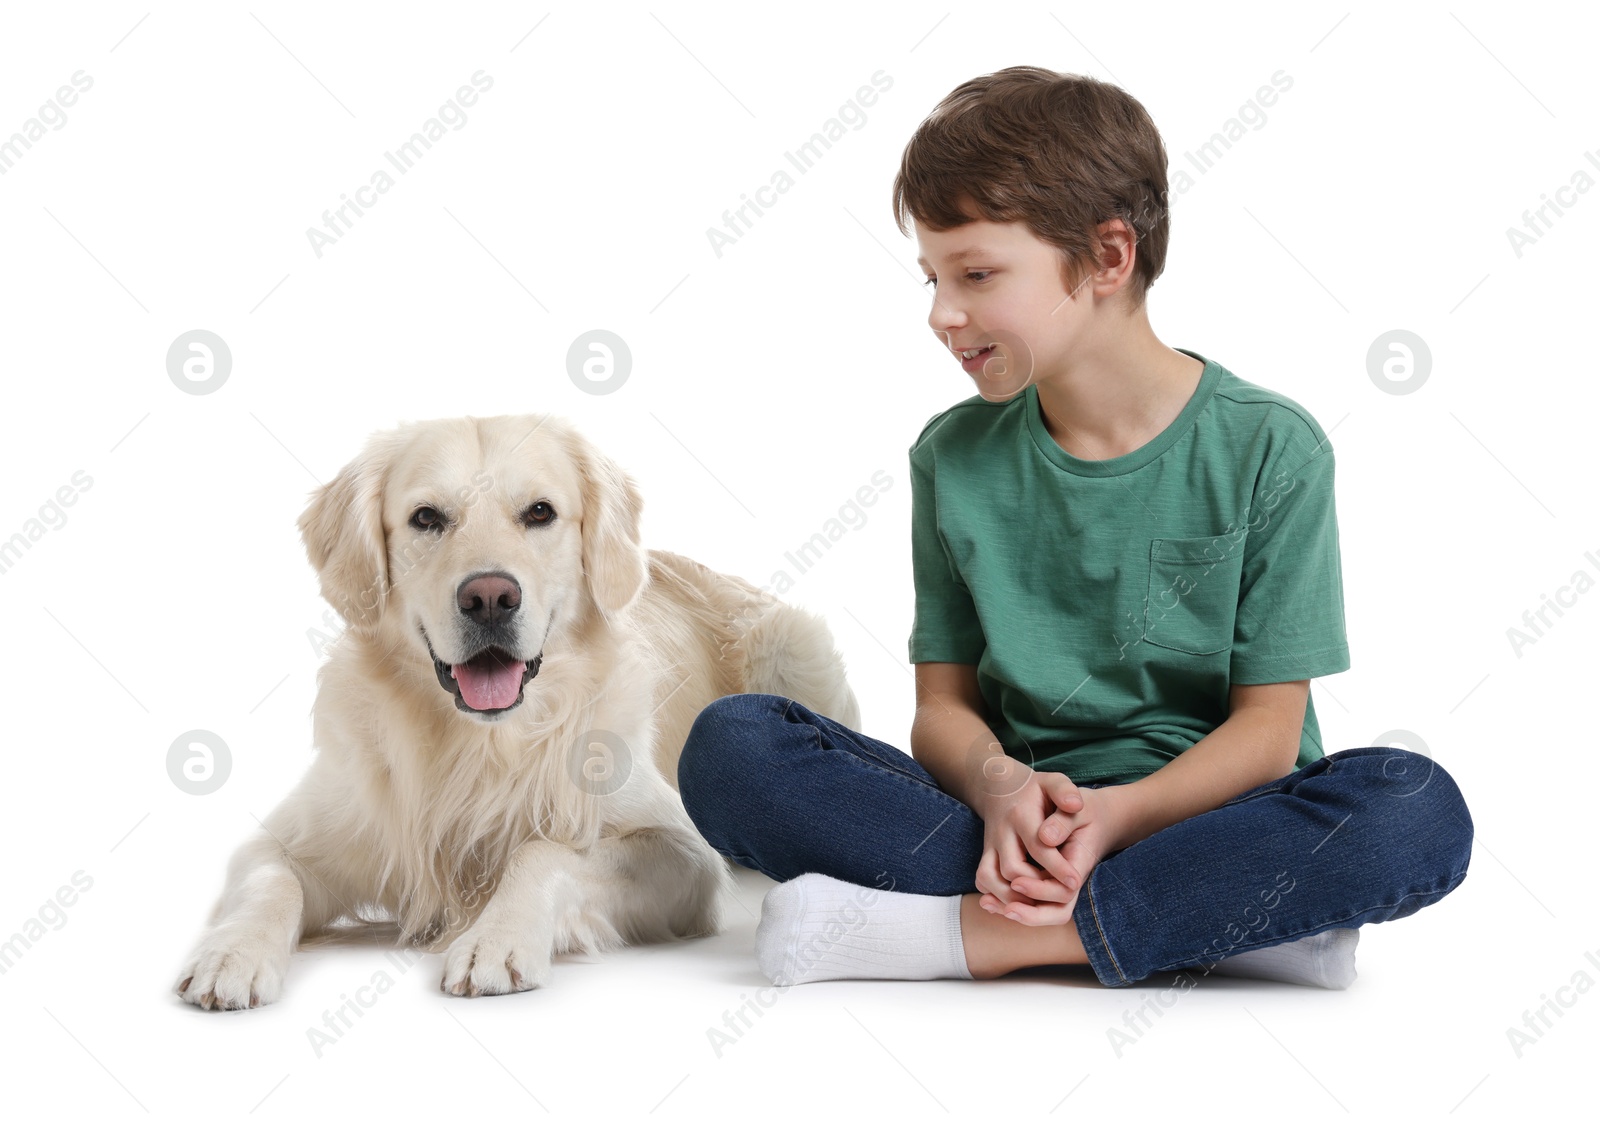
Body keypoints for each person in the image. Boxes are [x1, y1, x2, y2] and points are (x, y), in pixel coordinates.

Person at [676, 66, 1472, 990]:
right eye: (933, 277)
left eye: (977, 274)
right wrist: (1003, 787)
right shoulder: (952, 455)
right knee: (731, 745)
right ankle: (1232, 922)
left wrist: (1119, 815)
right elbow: (943, 707)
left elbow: (1267, 729)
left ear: (1107, 256)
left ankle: (975, 937)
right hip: (1001, 825)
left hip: (1210, 815)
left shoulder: (1270, 447)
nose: (942, 312)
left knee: (1413, 807)